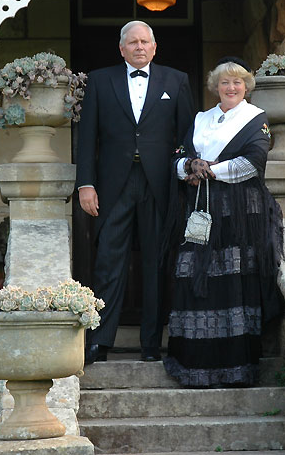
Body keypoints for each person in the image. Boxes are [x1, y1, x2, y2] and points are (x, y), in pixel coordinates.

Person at [76, 20, 194, 364]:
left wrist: (184, 167)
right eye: (133, 42)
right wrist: (86, 184)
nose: (139, 47)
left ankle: (150, 344)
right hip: (114, 184)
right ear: (122, 48)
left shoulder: (176, 80)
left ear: (154, 48)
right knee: (108, 263)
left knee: (156, 265)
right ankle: (100, 342)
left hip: (160, 184)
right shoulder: (100, 80)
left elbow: (188, 132)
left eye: (145, 42)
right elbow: (87, 139)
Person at [163, 57, 284, 387]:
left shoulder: (254, 119)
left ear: (247, 87)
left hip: (239, 214)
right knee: (194, 279)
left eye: (237, 82)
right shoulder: (202, 119)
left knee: (232, 285)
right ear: (215, 87)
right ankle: (193, 366)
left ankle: (234, 369)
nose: (231, 88)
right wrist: (190, 165)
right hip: (200, 210)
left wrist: (210, 170)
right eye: (224, 83)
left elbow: (254, 161)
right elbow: (177, 158)